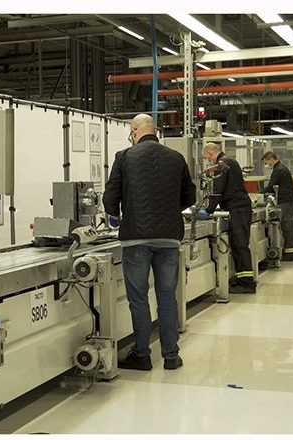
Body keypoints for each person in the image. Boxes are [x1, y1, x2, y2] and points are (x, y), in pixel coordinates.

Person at [103, 114, 196, 371]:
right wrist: (168, 211)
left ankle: (142, 355)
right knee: (167, 297)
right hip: (169, 238)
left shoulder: (124, 157)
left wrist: (117, 215)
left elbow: (110, 198)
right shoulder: (176, 158)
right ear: (154, 131)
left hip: (136, 238)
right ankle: (171, 356)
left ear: (134, 131)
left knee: (139, 298)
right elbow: (189, 196)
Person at [202, 142, 256, 294]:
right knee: (239, 244)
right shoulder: (229, 161)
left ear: (211, 152)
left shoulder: (222, 164)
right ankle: (241, 278)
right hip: (239, 208)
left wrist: (208, 210)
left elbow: (218, 191)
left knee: (240, 245)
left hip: (238, 209)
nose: (208, 161)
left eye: (207, 157)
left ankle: (247, 284)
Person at [262, 151, 293, 261]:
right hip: (289, 201)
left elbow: (271, 186)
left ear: (271, 159)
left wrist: (259, 194)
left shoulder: (278, 170)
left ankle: (289, 254)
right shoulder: (281, 168)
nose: (267, 165)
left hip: (285, 202)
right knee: (290, 226)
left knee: (287, 226)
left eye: (267, 162)